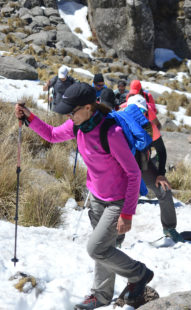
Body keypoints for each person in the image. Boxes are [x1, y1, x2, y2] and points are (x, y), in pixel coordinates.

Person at [15, 83, 154, 310]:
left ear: (89, 107)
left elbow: (133, 173)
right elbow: (51, 134)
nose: (69, 117)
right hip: (97, 197)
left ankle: (139, 274)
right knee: (104, 248)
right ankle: (101, 296)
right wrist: (29, 117)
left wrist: (127, 213)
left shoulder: (112, 133)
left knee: (96, 249)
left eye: (72, 112)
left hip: (116, 202)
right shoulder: (78, 125)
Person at [122, 80, 184, 243]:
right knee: (118, 197)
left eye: (142, 112)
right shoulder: (118, 123)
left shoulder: (149, 127)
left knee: (164, 190)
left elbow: (161, 150)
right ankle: (116, 238)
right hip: (122, 165)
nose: (139, 116)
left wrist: (161, 174)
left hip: (143, 163)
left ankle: (169, 228)